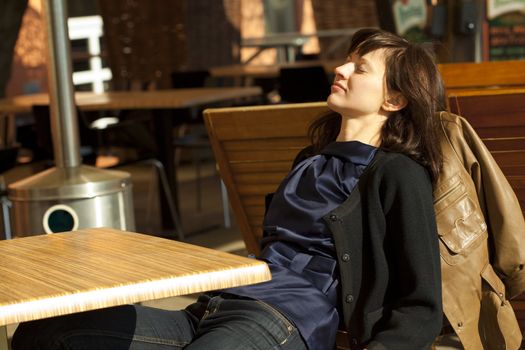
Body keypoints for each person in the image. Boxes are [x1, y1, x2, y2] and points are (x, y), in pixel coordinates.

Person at [12, 28, 444, 350]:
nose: (341, 68)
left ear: (394, 100)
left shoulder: (397, 174)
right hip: (214, 308)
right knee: (48, 329)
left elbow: (421, 303)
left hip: (284, 320)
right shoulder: (310, 159)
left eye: (360, 67)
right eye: (347, 60)